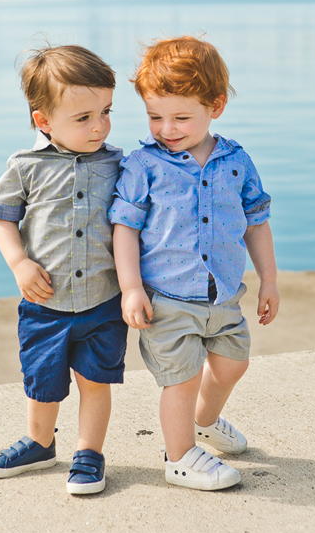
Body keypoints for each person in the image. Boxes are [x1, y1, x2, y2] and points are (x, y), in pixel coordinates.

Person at [110, 36, 280, 491]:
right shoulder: (144, 165)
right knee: (180, 380)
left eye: (181, 117)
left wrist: (269, 280)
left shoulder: (236, 160)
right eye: (154, 116)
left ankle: (205, 422)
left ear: (216, 106)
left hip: (223, 294)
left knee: (232, 364)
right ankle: (180, 457)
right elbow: (124, 228)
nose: (166, 127)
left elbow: (256, 222)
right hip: (166, 299)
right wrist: (131, 288)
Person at [0, 45, 126, 495]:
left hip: (104, 300)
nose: (99, 125)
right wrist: (19, 262)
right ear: (43, 120)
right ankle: (40, 442)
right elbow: (2, 215)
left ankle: (89, 453)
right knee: (42, 381)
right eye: (82, 118)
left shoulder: (118, 163)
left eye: (105, 111)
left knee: (95, 380)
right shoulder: (26, 166)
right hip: (45, 303)